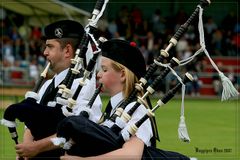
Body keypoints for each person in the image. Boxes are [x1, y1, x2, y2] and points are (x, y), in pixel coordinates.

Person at [57, 39, 190, 160]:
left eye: (104, 69)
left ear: (122, 75)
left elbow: (132, 155)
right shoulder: (113, 107)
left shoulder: (136, 109)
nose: (98, 74)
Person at [15, 20, 102, 159]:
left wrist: (36, 148)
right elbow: (32, 122)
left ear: (67, 50)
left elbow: (79, 132)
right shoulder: (46, 85)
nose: (45, 52)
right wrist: (27, 146)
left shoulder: (84, 87)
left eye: (50, 47)